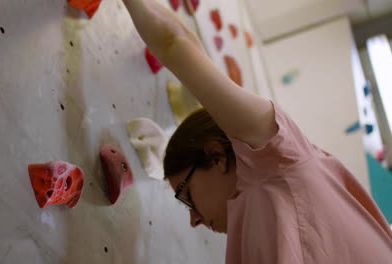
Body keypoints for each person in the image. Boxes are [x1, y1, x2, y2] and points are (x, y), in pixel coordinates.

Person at [122, 0, 392, 263]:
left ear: (216, 156)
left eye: (187, 196)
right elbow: (179, 43)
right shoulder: (266, 192)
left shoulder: (278, 161)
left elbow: (176, 43)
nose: (194, 220)